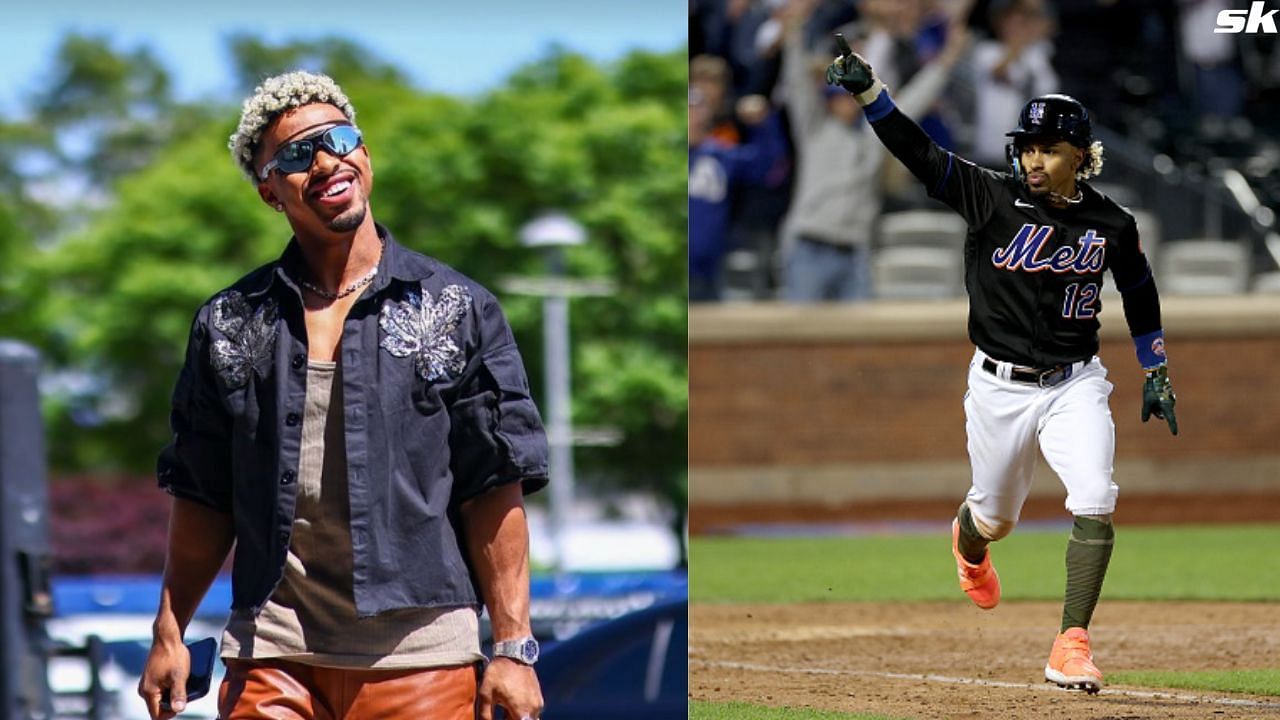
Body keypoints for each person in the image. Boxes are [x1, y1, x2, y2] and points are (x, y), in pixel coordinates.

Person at [137, 70, 548, 720]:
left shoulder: (456, 308)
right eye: (298, 154)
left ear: (365, 153)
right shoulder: (230, 323)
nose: (327, 159)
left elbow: (493, 487)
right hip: (272, 648)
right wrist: (169, 630)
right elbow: (203, 493)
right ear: (272, 191)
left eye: (340, 138)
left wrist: (513, 648)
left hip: (419, 653)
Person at [827, 48, 1178, 692]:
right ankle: (969, 540)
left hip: (1075, 380)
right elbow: (921, 155)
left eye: (1048, 148)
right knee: (996, 518)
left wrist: (1155, 368)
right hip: (998, 387)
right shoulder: (990, 196)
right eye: (1027, 147)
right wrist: (872, 93)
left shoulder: (1112, 222)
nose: (1033, 159)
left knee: (1096, 495)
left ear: (1080, 154)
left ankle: (1071, 645)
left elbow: (1139, 286)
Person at [778, 0, 967, 301]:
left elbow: (913, 101)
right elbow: (798, 82)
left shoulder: (873, 133)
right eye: (839, 93)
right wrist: (793, 32)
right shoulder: (814, 127)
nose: (846, 99)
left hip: (855, 252)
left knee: (859, 345)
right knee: (796, 342)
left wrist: (948, 58)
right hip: (809, 247)